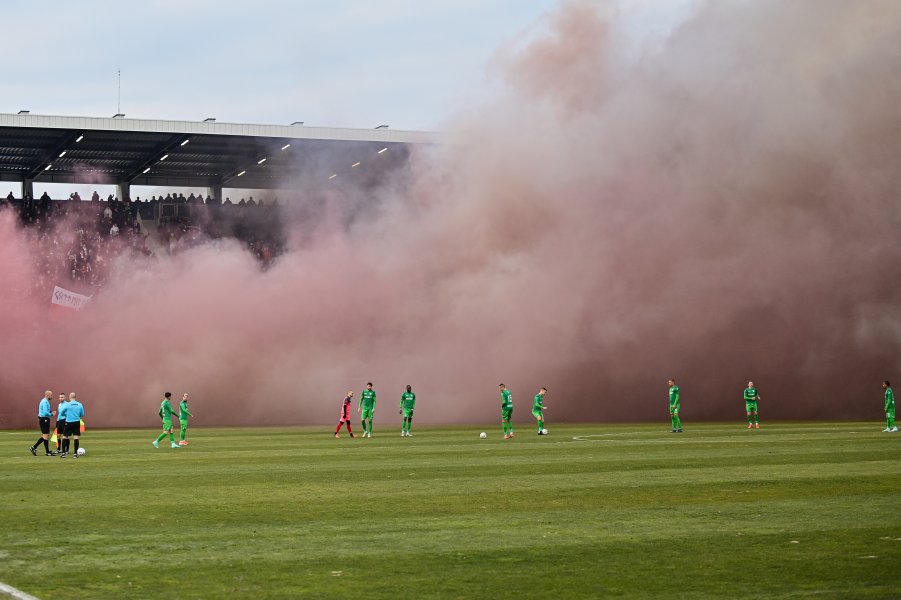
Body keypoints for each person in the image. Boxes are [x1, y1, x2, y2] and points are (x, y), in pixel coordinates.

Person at [29, 390, 56, 456]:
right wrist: (52, 414)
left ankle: (42, 449)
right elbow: (45, 413)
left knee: (46, 435)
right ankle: (37, 448)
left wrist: (51, 412)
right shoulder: (44, 402)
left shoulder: (46, 401)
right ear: (47, 395)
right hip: (44, 419)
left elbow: (46, 410)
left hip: (45, 419)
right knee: (45, 435)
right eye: (51, 395)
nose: (52, 396)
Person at [61, 392, 84, 458]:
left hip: (68, 422)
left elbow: (62, 413)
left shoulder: (67, 405)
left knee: (65, 436)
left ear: (69, 397)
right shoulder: (80, 404)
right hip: (76, 422)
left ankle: (63, 453)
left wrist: (66, 414)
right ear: (75, 397)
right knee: (76, 437)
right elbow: (82, 414)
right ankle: (75, 454)